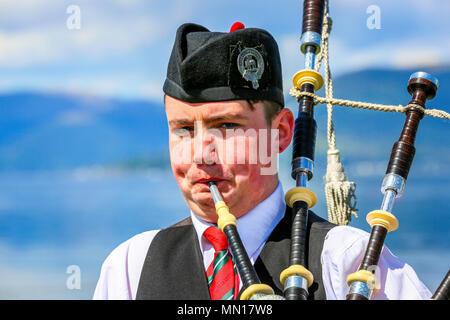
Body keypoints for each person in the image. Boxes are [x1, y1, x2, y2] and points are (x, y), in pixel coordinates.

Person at [93, 22, 431, 300]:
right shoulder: (130, 266)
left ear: (281, 132)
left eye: (226, 125)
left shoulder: (346, 261)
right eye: (182, 129)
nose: (200, 154)